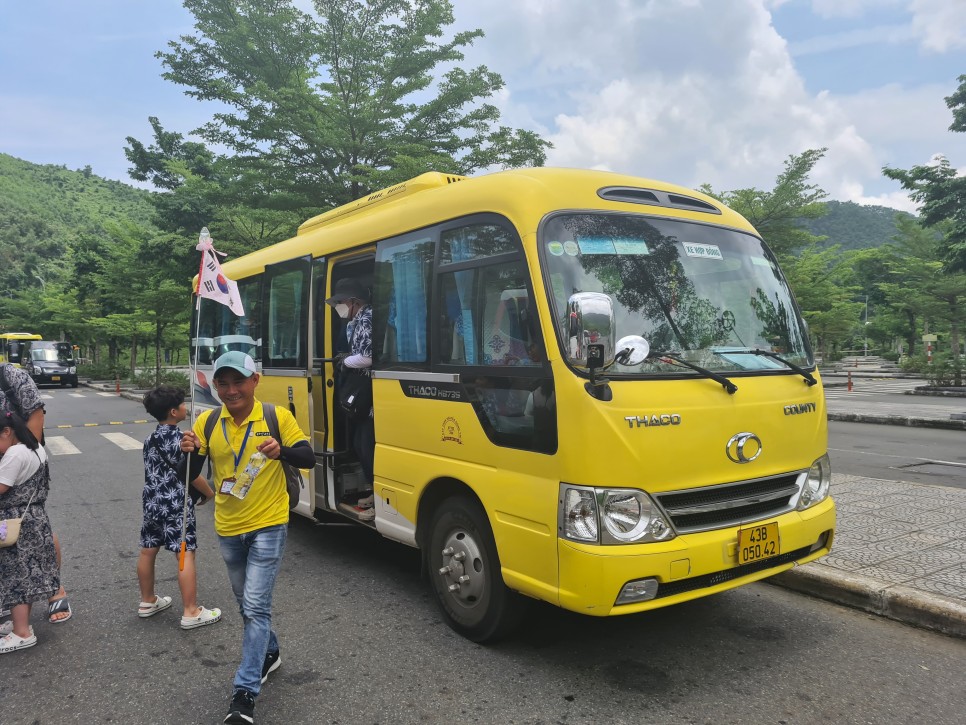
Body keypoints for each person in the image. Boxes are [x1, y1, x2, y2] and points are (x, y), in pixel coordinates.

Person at [180, 351, 315, 725]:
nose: (230, 390)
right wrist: (187, 452)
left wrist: (280, 450)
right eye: (223, 383)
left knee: (255, 606)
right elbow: (190, 474)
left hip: (270, 523)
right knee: (245, 604)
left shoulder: (275, 417)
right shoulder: (208, 422)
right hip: (228, 526)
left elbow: (308, 457)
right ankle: (269, 652)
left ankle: (244, 695)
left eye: (238, 381)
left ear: (254, 381)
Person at [137, 385, 221, 629]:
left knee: (147, 550)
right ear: (174, 411)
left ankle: (147, 601)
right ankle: (191, 611)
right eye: (183, 404)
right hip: (175, 502)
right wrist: (208, 493)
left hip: (152, 500)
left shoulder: (150, 438)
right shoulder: (181, 440)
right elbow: (191, 474)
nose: (187, 408)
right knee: (184, 552)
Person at [0, 362, 72, 628]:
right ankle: (12, 594)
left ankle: (54, 588)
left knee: (31, 526)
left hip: (19, 460)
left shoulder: (10, 375)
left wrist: (24, 456)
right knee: (5, 534)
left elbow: (36, 414)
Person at [0, 410, 59, 653]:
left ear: (7, 431)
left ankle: (22, 632)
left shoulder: (14, 454)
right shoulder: (35, 447)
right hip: (33, 520)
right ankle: (20, 624)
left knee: (15, 576)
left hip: (15, 523)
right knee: (25, 576)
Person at [325, 277, 375, 520]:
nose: (338, 307)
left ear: (353, 301)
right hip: (361, 391)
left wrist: (344, 361)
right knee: (360, 444)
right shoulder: (353, 321)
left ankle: (377, 495)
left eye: (341, 302)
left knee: (366, 445)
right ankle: (374, 490)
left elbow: (368, 357)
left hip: (370, 394)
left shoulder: (368, 317)